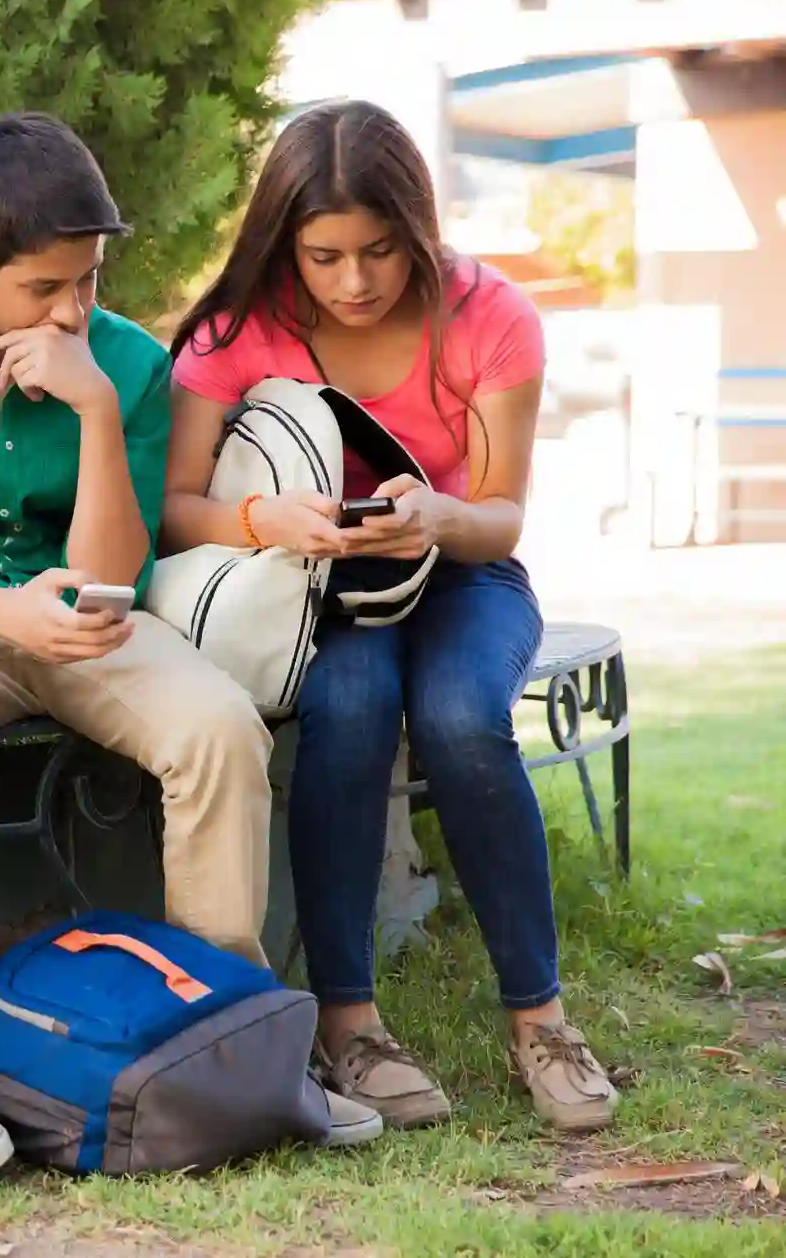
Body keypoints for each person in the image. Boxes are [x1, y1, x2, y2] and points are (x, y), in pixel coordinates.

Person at [0, 111, 382, 1179]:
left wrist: (88, 409)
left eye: (86, 280)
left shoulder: (122, 362)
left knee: (217, 724)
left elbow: (112, 576)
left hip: (82, 619)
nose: (73, 308)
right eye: (43, 288)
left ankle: (229, 1040)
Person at [162, 99, 619, 1133]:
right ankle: (348, 1024)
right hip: (314, 589)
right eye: (323, 256)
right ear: (285, 242)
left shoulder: (487, 315)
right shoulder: (234, 328)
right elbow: (172, 511)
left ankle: (538, 1018)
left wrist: (434, 515)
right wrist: (262, 518)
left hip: (460, 573)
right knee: (354, 705)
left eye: (378, 251)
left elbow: (499, 519)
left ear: (415, 230)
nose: (353, 281)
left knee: (461, 716)